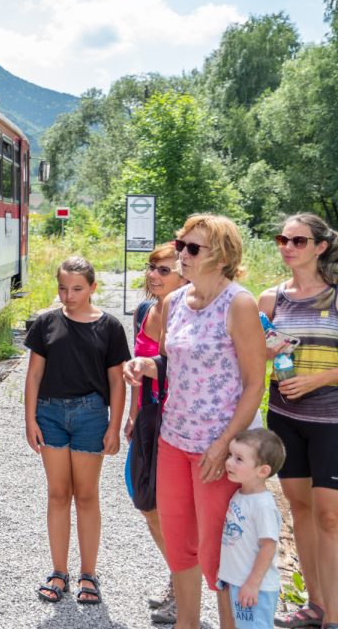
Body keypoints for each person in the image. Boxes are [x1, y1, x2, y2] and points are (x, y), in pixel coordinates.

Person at [124, 213, 266, 629]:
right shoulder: (172, 304)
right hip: (173, 441)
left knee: (220, 552)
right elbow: (176, 363)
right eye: (180, 244)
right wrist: (147, 365)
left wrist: (224, 446)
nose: (181, 254)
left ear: (221, 257)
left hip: (218, 449)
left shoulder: (240, 303)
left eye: (192, 248)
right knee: (181, 549)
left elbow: (254, 384)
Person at [24, 257, 129, 606]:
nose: (69, 296)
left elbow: (117, 380)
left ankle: (88, 574)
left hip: (90, 416)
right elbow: (34, 375)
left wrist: (115, 425)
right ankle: (58, 572)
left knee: (86, 495)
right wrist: (30, 419)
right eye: (63, 288)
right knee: (57, 494)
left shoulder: (110, 326)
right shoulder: (45, 323)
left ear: (93, 287)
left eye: (77, 289)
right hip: (50, 414)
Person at [258, 214, 338, 629]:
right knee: (300, 509)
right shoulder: (271, 299)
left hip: (331, 420)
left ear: (320, 246)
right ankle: (315, 604)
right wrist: (269, 355)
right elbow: (256, 357)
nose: (288, 246)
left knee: (329, 516)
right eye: (282, 239)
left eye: (299, 240)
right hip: (285, 416)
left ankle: (334, 616)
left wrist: (319, 379)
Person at [124, 242, 186, 625]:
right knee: (146, 503)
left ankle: (182, 587)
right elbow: (138, 368)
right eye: (152, 268)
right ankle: (178, 577)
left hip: (176, 418)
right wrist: (131, 416)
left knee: (169, 508)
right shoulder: (145, 310)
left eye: (164, 270)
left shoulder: (188, 313)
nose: (154, 275)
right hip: (148, 414)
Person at [219, 428, 287, 629]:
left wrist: (253, 584)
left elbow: (268, 547)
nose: (229, 462)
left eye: (239, 459)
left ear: (263, 471)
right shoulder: (240, 495)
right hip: (240, 583)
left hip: (257, 588)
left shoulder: (263, 505)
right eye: (230, 455)